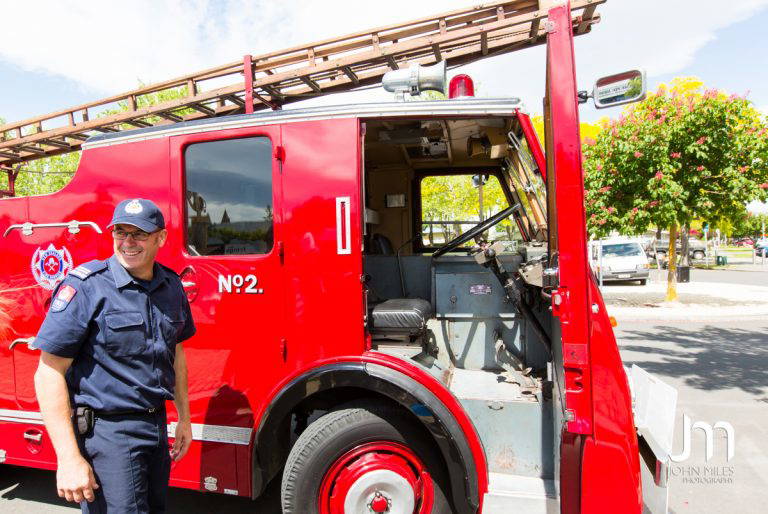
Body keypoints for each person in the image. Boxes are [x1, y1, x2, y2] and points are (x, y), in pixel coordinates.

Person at [33, 198, 196, 513]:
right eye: (120, 232)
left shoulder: (171, 286)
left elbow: (176, 354)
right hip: (109, 434)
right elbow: (49, 371)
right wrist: (68, 457)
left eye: (139, 234)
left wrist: (184, 418)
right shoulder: (87, 288)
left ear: (161, 238)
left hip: (155, 426)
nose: (128, 242)